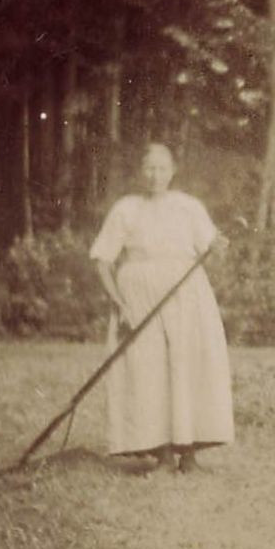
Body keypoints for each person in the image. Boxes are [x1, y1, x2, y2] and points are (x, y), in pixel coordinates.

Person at [90, 142, 234, 473]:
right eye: (149, 168)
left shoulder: (189, 206)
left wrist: (220, 245)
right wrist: (120, 303)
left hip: (186, 295)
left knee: (187, 367)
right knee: (149, 372)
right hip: (138, 299)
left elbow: (212, 246)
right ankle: (162, 452)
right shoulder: (125, 208)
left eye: (162, 168)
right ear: (141, 172)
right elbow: (102, 260)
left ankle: (189, 453)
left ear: (173, 171)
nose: (156, 176)